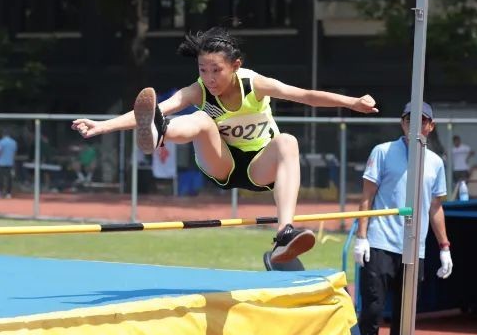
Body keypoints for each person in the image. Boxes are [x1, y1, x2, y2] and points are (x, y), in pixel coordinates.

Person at [71, 26, 378, 263]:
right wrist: (101, 126)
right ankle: (157, 135)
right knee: (201, 120)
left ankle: (284, 233)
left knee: (287, 141)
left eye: (216, 70)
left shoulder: (254, 84)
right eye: (203, 70)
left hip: (260, 167)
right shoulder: (200, 90)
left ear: (235, 65)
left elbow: (306, 95)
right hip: (221, 163)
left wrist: (353, 102)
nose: (210, 77)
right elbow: (153, 109)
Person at [353, 102, 452, 335]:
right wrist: (362, 237)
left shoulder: (435, 162)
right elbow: (366, 199)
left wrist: (444, 246)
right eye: (410, 120)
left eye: (422, 121)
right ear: (402, 123)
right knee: (371, 310)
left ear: (430, 126)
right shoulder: (383, 152)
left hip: (414, 248)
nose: (416, 126)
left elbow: (436, 207)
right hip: (381, 242)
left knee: (405, 314)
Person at [0, 131, 18, 198]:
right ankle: (8, 193)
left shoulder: (1, 142)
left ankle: (0, 192)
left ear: (3, 135)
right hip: (10, 162)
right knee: (9, 178)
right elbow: (14, 153)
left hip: (1, 162)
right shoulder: (14, 142)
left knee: (0, 178)